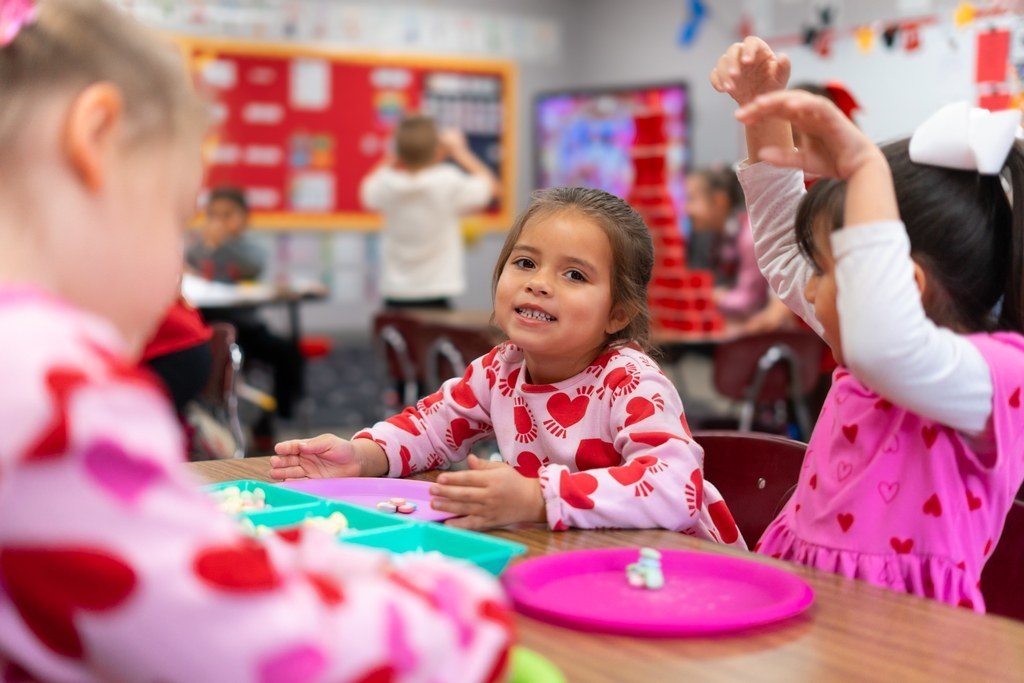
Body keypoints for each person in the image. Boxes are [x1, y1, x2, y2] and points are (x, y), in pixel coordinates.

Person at [0, 2, 512, 680]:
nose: (173, 263)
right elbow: (244, 643)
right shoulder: (52, 383)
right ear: (94, 138)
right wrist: (464, 610)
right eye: (177, 217)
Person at [711, 36, 1024, 610]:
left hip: (905, 638)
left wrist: (862, 168)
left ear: (900, 283)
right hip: (808, 600)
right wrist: (764, 112)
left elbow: (891, 345)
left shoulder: (998, 377)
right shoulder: (863, 340)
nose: (808, 285)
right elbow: (784, 251)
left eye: (829, 269)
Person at [273, 187, 744, 544]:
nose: (539, 284)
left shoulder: (631, 382)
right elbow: (430, 428)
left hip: (682, 570)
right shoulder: (502, 369)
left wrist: (537, 498)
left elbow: (674, 488)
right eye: (524, 263)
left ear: (618, 313)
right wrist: (361, 457)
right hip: (584, 556)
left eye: (574, 274)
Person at [186, 186, 303, 449]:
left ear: (245, 218)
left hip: (247, 328)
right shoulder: (200, 246)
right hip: (208, 328)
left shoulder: (249, 249)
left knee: (287, 353)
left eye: (228, 215)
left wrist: (221, 243)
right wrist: (207, 245)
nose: (219, 222)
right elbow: (189, 262)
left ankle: (272, 419)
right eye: (213, 215)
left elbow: (254, 265)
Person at [360, 116, 497, 310]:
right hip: (437, 292)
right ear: (436, 148)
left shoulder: (386, 184)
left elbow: (366, 189)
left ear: (398, 149)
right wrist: (460, 151)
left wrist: (396, 154)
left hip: (395, 293)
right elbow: (490, 185)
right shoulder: (447, 180)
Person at [685, 165, 768, 320]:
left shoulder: (748, 238)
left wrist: (708, 296)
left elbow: (750, 301)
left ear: (719, 200)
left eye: (692, 199)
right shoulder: (713, 237)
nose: (686, 209)